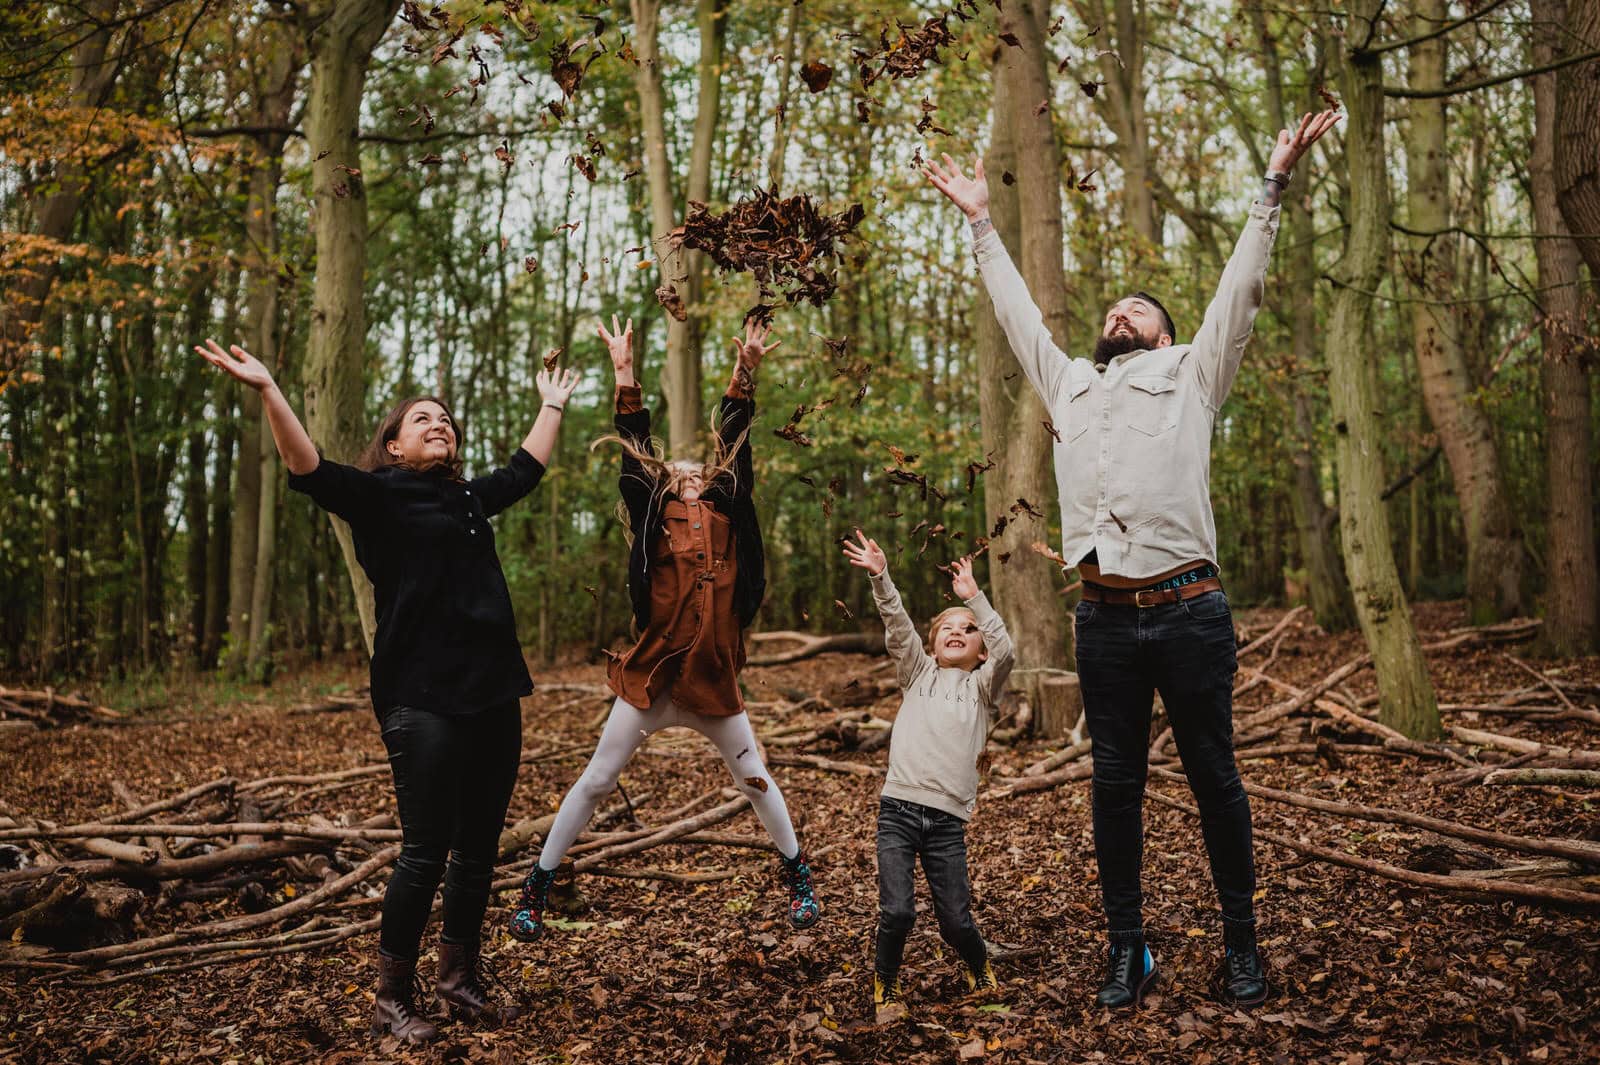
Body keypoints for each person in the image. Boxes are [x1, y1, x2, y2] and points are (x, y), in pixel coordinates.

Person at [921, 108, 1341, 1010]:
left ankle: (1240, 940)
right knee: (1115, 787)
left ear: (1163, 333)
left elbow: (1239, 289)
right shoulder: (1072, 383)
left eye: (1138, 309)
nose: (1121, 311)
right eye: (1115, 308)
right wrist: (980, 222)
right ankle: (1128, 947)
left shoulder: (1194, 373)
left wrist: (1273, 184)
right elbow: (1018, 317)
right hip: (1105, 620)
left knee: (1215, 778)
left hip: (1189, 612)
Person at [194, 338, 580, 1043]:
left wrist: (551, 404)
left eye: (446, 419)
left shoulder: (468, 498)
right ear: (394, 446)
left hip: (494, 692)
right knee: (425, 849)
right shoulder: (378, 495)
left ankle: (459, 980)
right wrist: (271, 390)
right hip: (419, 695)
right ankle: (392, 998)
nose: (440, 423)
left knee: (479, 848)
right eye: (422, 418)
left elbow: (524, 470)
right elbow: (308, 468)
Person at [508, 315, 820, 943]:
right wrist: (624, 373)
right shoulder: (655, 513)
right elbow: (633, 456)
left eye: (697, 469)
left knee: (755, 779)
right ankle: (536, 886)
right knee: (598, 779)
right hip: (652, 675)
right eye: (675, 471)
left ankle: (798, 878)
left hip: (713, 678)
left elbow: (736, 445)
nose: (688, 473)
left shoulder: (730, 512)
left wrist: (745, 373)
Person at [842, 532, 1014, 1021]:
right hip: (897, 812)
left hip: (946, 823)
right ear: (933, 645)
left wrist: (975, 600)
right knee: (897, 911)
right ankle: (886, 978)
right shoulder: (917, 673)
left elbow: (1007, 651)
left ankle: (978, 965)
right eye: (947, 628)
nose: (957, 631)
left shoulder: (983, 688)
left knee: (955, 921)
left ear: (981, 651)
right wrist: (881, 577)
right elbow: (897, 626)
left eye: (968, 629)